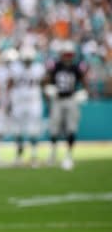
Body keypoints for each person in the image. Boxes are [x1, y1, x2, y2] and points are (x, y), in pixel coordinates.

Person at [43, 40, 89, 170]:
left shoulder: (75, 68)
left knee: (71, 128)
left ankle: (69, 155)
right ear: (61, 54)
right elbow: (46, 80)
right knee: (54, 128)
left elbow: (84, 81)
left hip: (71, 99)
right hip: (57, 99)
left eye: (70, 54)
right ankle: (53, 153)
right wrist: (48, 89)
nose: (68, 57)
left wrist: (83, 91)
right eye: (66, 54)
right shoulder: (55, 66)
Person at [8, 46, 45, 167]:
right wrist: (10, 100)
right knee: (17, 130)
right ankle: (19, 154)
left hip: (33, 102)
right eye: (26, 60)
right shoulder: (15, 68)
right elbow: (10, 84)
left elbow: (44, 82)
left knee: (33, 130)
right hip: (19, 102)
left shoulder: (38, 68)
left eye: (29, 60)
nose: (27, 62)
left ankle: (33, 155)